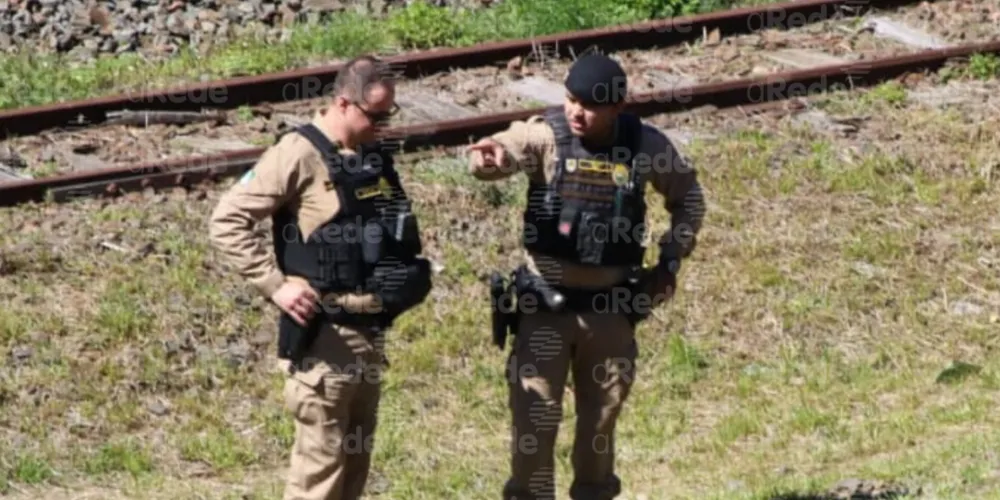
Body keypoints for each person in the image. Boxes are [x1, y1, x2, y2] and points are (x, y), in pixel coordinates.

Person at [466, 52, 706, 499]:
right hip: (545, 311)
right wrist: (490, 159)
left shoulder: (645, 146)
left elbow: (688, 197)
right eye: (571, 100)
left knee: (600, 428)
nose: (577, 112)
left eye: (590, 105)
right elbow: (509, 148)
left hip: (610, 314)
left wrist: (671, 260)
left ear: (617, 107)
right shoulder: (548, 135)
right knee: (533, 427)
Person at [208, 55, 433, 500]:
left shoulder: (369, 155)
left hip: (369, 338)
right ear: (345, 103)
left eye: (391, 113)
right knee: (319, 477)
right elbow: (227, 219)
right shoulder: (298, 153)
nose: (384, 123)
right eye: (377, 114)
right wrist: (276, 285)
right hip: (324, 342)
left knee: (352, 471)